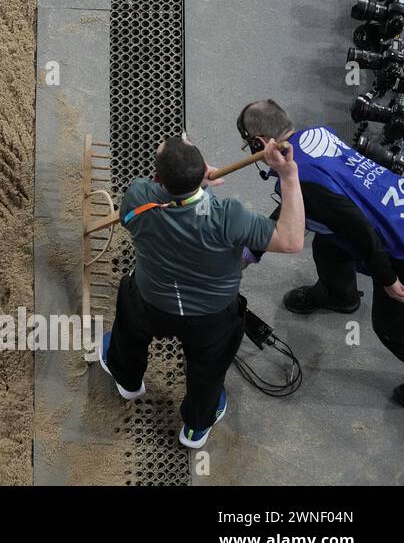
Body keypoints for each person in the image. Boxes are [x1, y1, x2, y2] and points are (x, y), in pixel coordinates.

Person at [97, 133, 305, 448]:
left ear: (157, 179)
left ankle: (127, 380)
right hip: (211, 317)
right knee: (209, 371)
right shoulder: (229, 217)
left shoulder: (138, 198)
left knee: (129, 309)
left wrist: (189, 188)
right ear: (201, 172)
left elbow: (163, 208)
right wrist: (289, 176)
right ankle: (196, 427)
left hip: (151, 302)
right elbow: (291, 240)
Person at [236, 99, 404, 405]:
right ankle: (339, 296)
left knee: (390, 325)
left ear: (260, 143)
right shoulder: (318, 135)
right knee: (328, 241)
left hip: (396, 246)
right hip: (392, 205)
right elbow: (303, 208)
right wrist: (252, 250)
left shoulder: (305, 179)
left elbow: (359, 227)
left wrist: (388, 278)